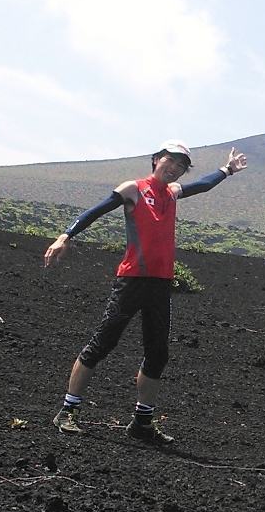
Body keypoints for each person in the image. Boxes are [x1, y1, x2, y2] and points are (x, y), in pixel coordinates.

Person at [44, 140, 247, 444]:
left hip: (160, 284)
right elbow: (94, 212)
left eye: (181, 166)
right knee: (102, 344)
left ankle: (142, 423)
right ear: (156, 160)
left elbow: (203, 185)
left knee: (157, 354)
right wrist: (65, 237)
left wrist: (227, 170)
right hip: (132, 282)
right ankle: (67, 411)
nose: (175, 168)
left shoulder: (173, 193)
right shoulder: (133, 189)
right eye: (170, 161)